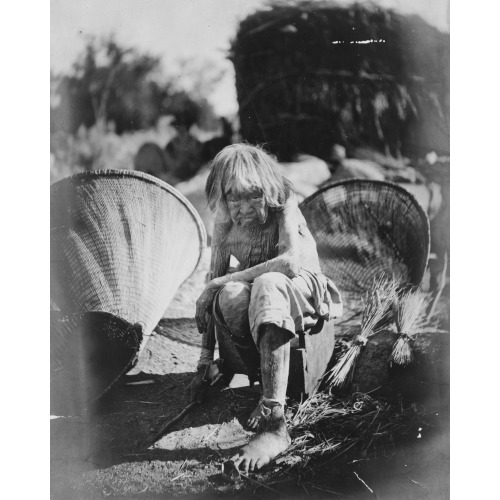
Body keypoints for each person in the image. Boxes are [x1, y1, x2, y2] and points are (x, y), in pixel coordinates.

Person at [189, 143, 342, 473]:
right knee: (230, 294)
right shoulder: (225, 222)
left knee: (268, 282)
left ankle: (275, 420)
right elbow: (215, 281)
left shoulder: (284, 200)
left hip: (302, 286)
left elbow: (289, 263)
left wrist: (215, 284)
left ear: (267, 190)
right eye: (234, 197)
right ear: (224, 196)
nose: (243, 207)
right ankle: (258, 372)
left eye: (253, 195)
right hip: (262, 293)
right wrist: (205, 359)